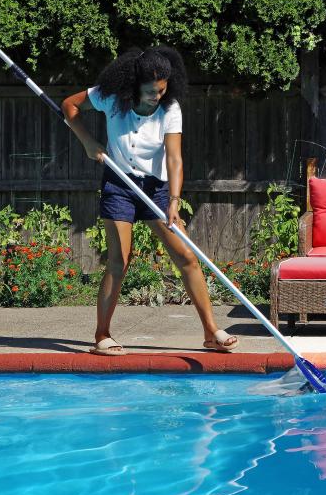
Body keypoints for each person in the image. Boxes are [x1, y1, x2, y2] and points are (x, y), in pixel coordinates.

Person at [61, 46, 239, 355]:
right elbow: (69, 106)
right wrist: (88, 141)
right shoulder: (111, 98)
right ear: (133, 86)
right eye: (149, 91)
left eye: (161, 89)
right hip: (120, 185)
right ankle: (102, 335)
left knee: (187, 257)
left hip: (157, 190)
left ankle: (211, 332)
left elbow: (174, 158)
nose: (156, 96)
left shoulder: (170, 110)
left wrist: (174, 199)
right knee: (120, 259)